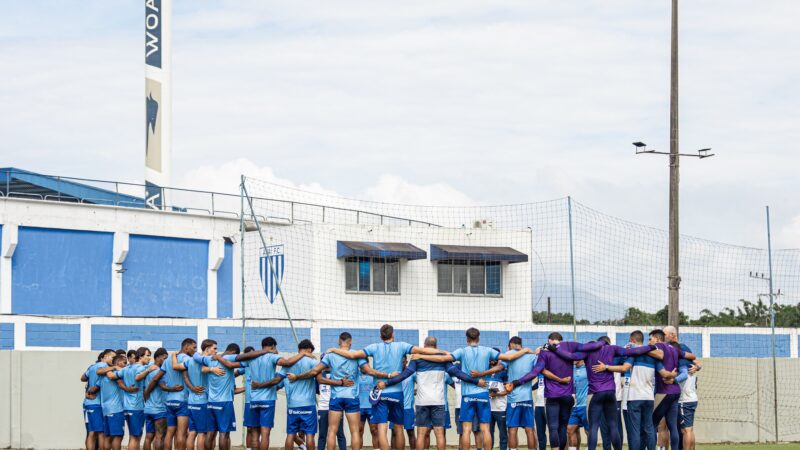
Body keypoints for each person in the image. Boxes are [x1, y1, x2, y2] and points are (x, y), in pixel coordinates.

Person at [323, 324, 447, 450]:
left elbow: (353, 355)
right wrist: (443, 352)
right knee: (398, 428)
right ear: (393, 334)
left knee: (381, 429)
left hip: (380, 392)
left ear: (380, 336)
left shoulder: (374, 347)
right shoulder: (401, 345)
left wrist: (334, 349)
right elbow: (423, 350)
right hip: (397, 393)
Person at [410, 328, 533, 450]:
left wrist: (420, 355)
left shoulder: (462, 351)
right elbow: (510, 358)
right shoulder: (487, 350)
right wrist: (525, 350)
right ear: (478, 338)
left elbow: (442, 358)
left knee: (466, 430)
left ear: (467, 339)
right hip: (483, 395)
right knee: (485, 429)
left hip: (467, 396)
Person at [552, 336, 658, 450]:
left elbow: (571, 356)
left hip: (595, 393)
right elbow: (632, 351)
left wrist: (555, 349)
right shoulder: (612, 349)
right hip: (610, 392)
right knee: (613, 426)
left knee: (594, 427)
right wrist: (650, 347)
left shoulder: (588, 352)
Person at [378, 336, 483, 450]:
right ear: (436, 346)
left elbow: (404, 375)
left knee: (421, 433)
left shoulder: (417, 359)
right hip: (438, 401)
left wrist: (387, 383)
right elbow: (458, 373)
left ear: (424, 346)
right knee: (439, 433)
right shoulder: (443, 359)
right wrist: (476, 381)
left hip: (422, 401)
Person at [505, 334, 604, 450]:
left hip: (552, 396)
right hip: (567, 396)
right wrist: (603, 343)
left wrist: (516, 382)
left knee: (553, 428)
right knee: (563, 427)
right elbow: (590, 347)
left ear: (550, 340)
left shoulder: (545, 353)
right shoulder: (569, 346)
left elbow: (534, 373)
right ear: (561, 340)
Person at [290, 332, 387, 450]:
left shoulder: (330, 355)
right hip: (351, 397)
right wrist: (388, 375)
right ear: (350, 342)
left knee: (332, 431)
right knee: (355, 431)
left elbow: (314, 372)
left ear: (338, 341)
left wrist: (296, 377)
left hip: (336, 397)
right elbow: (370, 371)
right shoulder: (357, 354)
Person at [197, 342, 272, 450]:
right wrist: (266, 351)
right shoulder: (229, 357)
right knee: (224, 434)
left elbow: (197, 358)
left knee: (210, 434)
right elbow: (244, 356)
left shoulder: (210, 359)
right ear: (233, 352)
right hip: (224, 403)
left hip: (211, 403)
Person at [247, 337, 307, 450]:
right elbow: (287, 362)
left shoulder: (253, 358)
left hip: (253, 399)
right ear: (272, 346)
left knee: (254, 433)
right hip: (267, 400)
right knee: (265, 433)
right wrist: (302, 354)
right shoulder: (272, 357)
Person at [182, 340, 225, 450]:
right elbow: (203, 369)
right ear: (207, 349)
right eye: (214, 348)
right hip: (202, 401)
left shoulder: (190, 361)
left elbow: (180, 369)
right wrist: (213, 369)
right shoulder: (206, 361)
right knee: (202, 433)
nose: (216, 351)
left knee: (192, 432)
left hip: (191, 401)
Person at [281, 340, 323, 450]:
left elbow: (278, 380)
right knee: (310, 435)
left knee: (290, 435)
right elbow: (320, 380)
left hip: (292, 404)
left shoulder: (288, 363)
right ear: (309, 349)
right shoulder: (313, 362)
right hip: (308, 404)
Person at [89, 354, 128, 450]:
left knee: (108, 437)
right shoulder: (116, 374)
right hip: (116, 409)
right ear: (118, 362)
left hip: (106, 410)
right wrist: (130, 389)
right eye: (124, 362)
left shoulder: (103, 375)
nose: (126, 365)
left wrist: (88, 392)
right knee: (117, 436)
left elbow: (93, 389)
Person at [119, 347, 154, 450]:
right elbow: (138, 377)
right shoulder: (141, 368)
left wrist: (125, 388)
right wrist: (148, 370)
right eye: (147, 356)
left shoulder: (126, 369)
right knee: (136, 437)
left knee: (132, 436)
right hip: (136, 407)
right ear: (141, 356)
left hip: (127, 407)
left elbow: (113, 376)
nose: (149, 358)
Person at [83, 349, 115, 450]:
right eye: (112, 357)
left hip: (88, 403)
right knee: (101, 433)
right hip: (97, 403)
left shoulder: (92, 367)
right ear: (105, 357)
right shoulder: (105, 367)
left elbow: (83, 378)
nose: (114, 360)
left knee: (91, 432)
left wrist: (87, 389)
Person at [317, 363, 348, 450]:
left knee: (340, 434)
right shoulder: (318, 376)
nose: (326, 364)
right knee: (322, 435)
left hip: (336, 408)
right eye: (324, 362)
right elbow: (317, 390)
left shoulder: (338, 375)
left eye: (328, 362)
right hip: (323, 408)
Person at [143, 348, 169, 450]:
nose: (166, 361)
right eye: (164, 358)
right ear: (157, 357)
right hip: (159, 409)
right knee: (160, 437)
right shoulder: (159, 372)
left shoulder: (147, 369)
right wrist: (173, 389)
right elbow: (161, 386)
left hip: (148, 408)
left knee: (148, 437)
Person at [488, 353, 509, 450]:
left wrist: (496, 394)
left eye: (494, 358)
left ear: (499, 359)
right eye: (490, 358)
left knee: (503, 433)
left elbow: (508, 390)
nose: (492, 360)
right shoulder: (486, 371)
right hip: (488, 408)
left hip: (500, 408)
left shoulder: (503, 372)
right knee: (488, 433)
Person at [567, 361, 589, 450]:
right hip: (574, 406)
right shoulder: (570, 369)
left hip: (586, 405)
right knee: (570, 430)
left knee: (588, 431)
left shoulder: (588, 368)